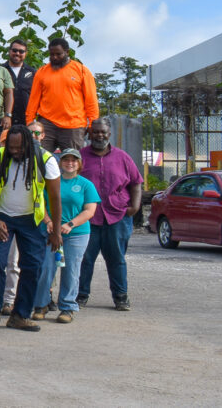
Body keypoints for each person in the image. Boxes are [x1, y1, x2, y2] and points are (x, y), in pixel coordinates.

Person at [0, 125, 63, 332]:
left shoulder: (46, 160)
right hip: (3, 217)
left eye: (18, 148)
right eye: (11, 148)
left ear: (28, 143)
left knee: (32, 267)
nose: (13, 151)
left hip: (31, 221)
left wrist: (56, 232)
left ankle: (20, 315)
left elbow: (55, 198)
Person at [77, 118, 143, 311]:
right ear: (90, 134)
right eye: (96, 132)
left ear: (109, 134)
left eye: (103, 132)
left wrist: (135, 206)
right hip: (88, 218)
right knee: (85, 259)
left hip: (117, 216)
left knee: (116, 259)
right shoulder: (80, 158)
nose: (99, 135)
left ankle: (121, 297)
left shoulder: (123, 157)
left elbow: (136, 182)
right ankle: (81, 296)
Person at [33, 149, 98, 323]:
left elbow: (90, 210)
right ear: (60, 163)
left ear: (79, 163)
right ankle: (41, 304)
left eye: (74, 160)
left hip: (76, 234)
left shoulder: (85, 185)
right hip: (51, 233)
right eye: (66, 160)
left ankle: (68, 307)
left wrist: (70, 224)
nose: (70, 163)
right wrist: (48, 222)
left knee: (71, 269)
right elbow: (41, 205)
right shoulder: (51, 182)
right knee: (46, 268)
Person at [24, 37, 99, 152]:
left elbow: (91, 100)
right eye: (52, 54)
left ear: (67, 52)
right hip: (47, 124)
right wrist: (30, 121)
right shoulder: (42, 72)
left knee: (72, 162)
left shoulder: (82, 70)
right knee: (38, 157)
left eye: (58, 54)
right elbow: (34, 99)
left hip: (73, 125)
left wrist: (92, 125)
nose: (54, 57)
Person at [3, 38, 35, 127]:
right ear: (9, 51)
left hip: (26, 121)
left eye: (21, 51)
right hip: (3, 120)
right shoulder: (0, 70)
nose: (17, 53)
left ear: (26, 54)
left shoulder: (33, 72)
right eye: (14, 50)